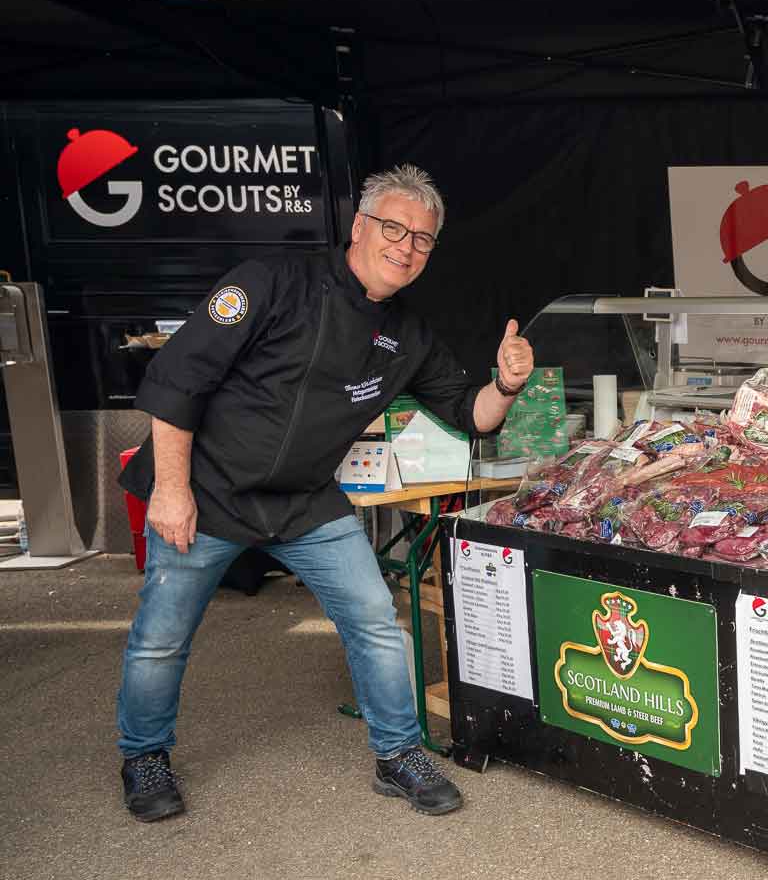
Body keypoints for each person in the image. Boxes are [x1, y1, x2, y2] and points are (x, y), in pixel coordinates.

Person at [116, 164, 534, 821]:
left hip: (304, 500)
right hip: (208, 489)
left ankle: (398, 754)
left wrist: (506, 385)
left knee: (375, 618)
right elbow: (177, 380)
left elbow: (469, 413)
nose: (406, 247)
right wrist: (171, 489)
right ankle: (144, 756)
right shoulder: (271, 282)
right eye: (393, 228)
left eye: (422, 238)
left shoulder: (407, 334)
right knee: (161, 637)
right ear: (360, 226)